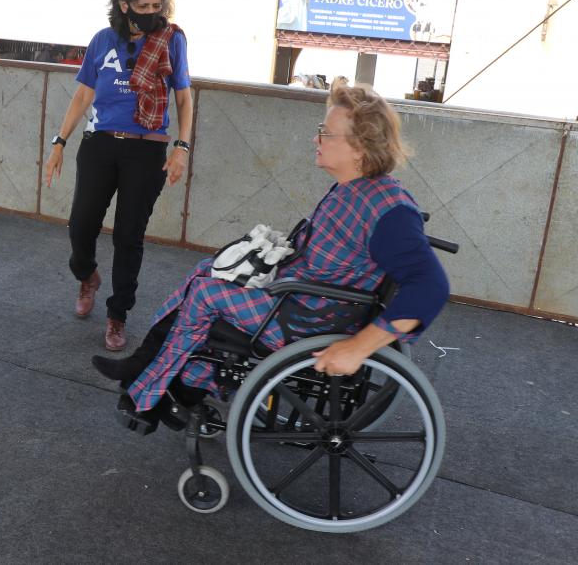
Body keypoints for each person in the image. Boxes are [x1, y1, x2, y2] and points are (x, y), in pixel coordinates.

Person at [93, 80, 450, 422]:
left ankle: (155, 392)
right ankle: (158, 374)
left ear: (360, 147)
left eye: (326, 133)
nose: (316, 139)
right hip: (299, 298)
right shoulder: (356, 189)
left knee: (206, 294)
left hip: (302, 318)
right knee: (207, 269)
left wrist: (359, 347)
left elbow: (430, 287)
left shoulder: (388, 211)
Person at [44, 0, 193, 352]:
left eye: (157, 6)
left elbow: (183, 98)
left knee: (129, 236)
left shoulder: (171, 40)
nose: (151, 12)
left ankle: (117, 314)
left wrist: (182, 147)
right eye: (143, 6)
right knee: (81, 226)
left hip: (147, 150)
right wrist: (60, 142)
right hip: (100, 145)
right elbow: (83, 95)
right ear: (125, 5)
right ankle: (87, 276)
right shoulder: (102, 40)